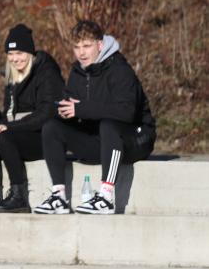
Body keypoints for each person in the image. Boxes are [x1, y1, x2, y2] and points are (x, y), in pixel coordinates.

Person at [34, 21, 156, 215]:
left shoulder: (119, 69)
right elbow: (76, 109)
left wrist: (81, 109)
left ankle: (106, 197)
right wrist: (65, 111)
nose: (81, 53)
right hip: (100, 142)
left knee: (109, 125)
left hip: (135, 140)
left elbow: (127, 112)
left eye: (87, 46)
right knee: (52, 127)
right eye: (77, 47)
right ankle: (59, 197)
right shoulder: (77, 72)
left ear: (100, 45)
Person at [0, 24, 64, 213]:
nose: (15, 59)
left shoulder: (47, 73)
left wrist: (11, 128)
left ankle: (19, 196)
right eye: (11, 54)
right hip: (20, 134)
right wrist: (1, 126)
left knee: (6, 136)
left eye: (20, 52)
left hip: (43, 137)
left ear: (30, 52)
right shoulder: (12, 76)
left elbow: (47, 112)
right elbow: (8, 112)